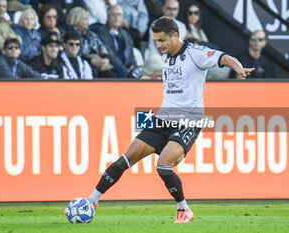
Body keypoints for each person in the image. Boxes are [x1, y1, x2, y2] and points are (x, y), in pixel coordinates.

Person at [84, 16, 254, 223]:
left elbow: (225, 57)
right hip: (163, 118)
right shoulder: (166, 56)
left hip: (190, 120)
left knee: (163, 166)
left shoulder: (196, 54)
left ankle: (184, 209)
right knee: (126, 158)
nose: (158, 45)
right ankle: (90, 201)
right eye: (155, 40)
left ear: (175, 35)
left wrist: (238, 68)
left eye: (162, 40)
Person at [66, 6, 115, 78]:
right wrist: (91, 61)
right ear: (77, 19)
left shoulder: (91, 34)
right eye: (85, 19)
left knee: (112, 74)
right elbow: (75, 53)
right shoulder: (69, 34)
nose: (88, 22)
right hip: (81, 62)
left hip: (99, 62)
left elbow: (103, 50)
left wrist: (105, 60)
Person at [94, 4, 142, 78]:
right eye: (113, 15)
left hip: (126, 67)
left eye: (119, 15)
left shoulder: (125, 34)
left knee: (140, 72)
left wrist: (132, 66)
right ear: (107, 17)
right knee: (122, 72)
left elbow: (131, 54)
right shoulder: (102, 32)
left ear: (122, 17)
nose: (116, 17)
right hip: (112, 66)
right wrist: (124, 67)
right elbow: (108, 54)